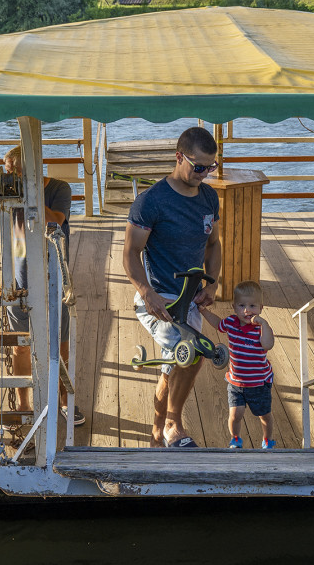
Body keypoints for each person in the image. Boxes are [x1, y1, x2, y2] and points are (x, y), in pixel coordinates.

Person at [0, 145, 83, 426]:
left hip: (54, 273)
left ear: (33, 166)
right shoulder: (8, 186)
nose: (10, 175)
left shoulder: (58, 188)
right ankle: (23, 403)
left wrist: (28, 194)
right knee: (20, 345)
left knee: (61, 341)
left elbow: (56, 220)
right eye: (8, 170)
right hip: (20, 276)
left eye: (15, 170)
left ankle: (65, 400)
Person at [123, 126, 222, 448]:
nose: (205, 174)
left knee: (176, 363)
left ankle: (157, 433)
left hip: (191, 300)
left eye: (211, 167)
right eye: (199, 167)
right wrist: (146, 292)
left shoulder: (209, 196)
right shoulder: (150, 201)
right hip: (158, 297)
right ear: (179, 157)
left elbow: (213, 244)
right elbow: (130, 253)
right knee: (191, 352)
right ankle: (172, 425)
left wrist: (214, 283)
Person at [198, 281, 277, 449]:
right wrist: (204, 311)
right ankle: (235, 439)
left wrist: (264, 324)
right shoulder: (231, 323)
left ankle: (268, 439)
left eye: (252, 306)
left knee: (264, 415)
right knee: (235, 414)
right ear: (234, 307)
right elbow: (218, 324)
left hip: (259, 383)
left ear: (261, 308)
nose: (247, 310)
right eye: (242, 305)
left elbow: (268, 345)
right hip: (236, 382)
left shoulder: (260, 329)